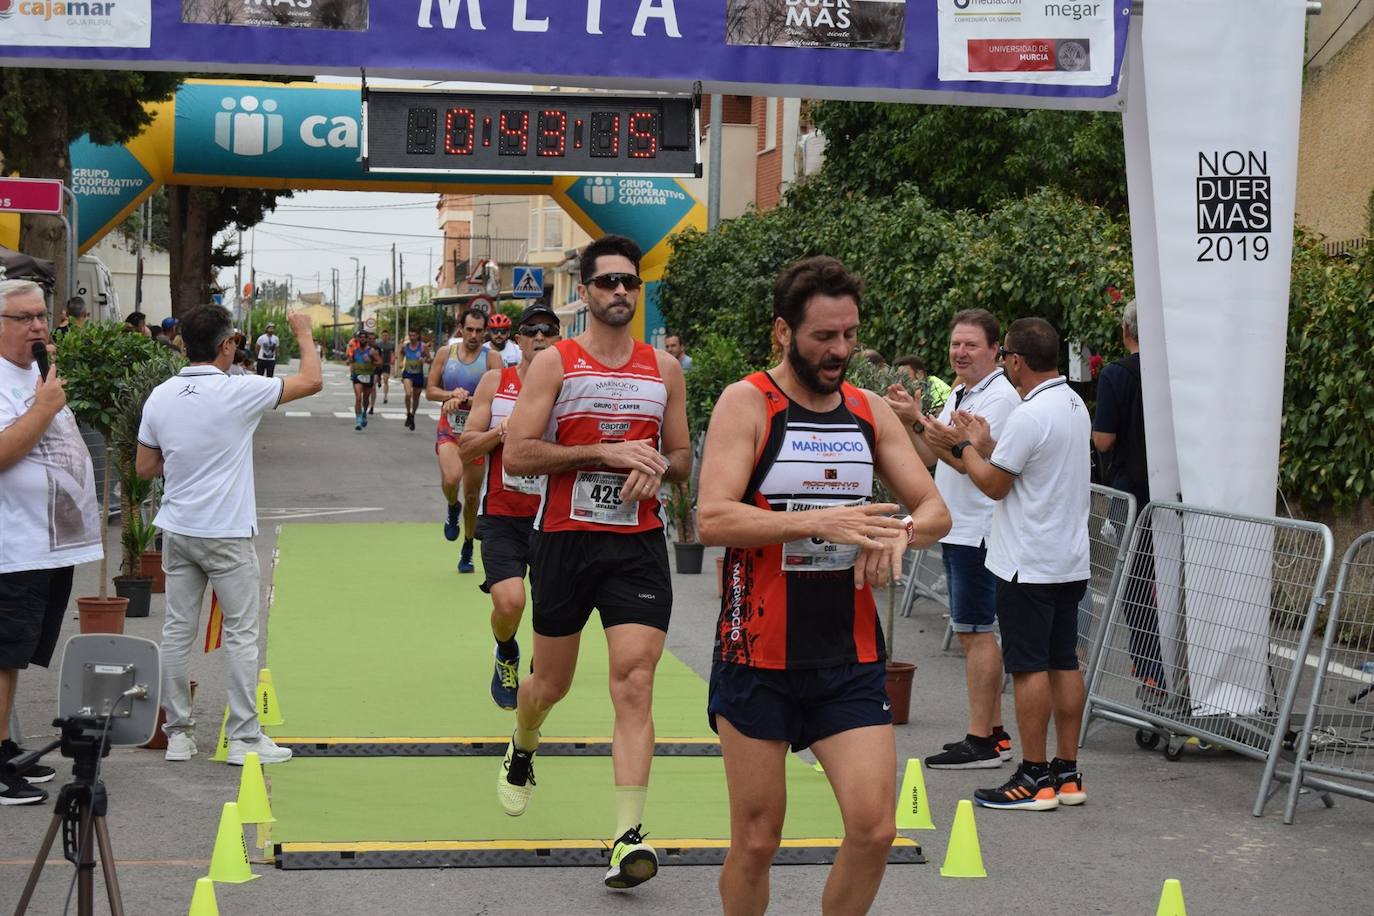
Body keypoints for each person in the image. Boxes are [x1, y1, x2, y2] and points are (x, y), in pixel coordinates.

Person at [696, 256, 951, 916]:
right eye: (824, 338)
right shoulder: (748, 402)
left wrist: (900, 534)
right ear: (784, 331)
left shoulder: (867, 410)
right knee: (756, 841)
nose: (841, 351)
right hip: (758, 656)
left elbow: (934, 511)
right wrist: (821, 521)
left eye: (850, 335)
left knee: (874, 831)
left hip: (848, 658)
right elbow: (713, 516)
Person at [497, 234, 691, 890]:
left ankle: (628, 835)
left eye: (628, 283)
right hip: (565, 540)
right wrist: (602, 456)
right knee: (547, 686)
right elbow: (519, 454)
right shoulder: (556, 363)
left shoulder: (663, 370)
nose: (618, 293)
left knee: (634, 683)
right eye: (606, 282)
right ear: (584, 293)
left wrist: (659, 466)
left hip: (635, 546)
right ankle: (524, 745)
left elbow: (684, 457)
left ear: (639, 292)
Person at [136, 305, 322, 766]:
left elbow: (144, 468)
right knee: (241, 632)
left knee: (178, 629)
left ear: (182, 343)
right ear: (226, 345)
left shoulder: (160, 395)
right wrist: (303, 334)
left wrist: (182, 463)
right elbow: (312, 381)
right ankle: (242, 738)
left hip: (177, 529)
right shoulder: (239, 390)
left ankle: (178, 733)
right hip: (226, 532)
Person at [950, 317, 1091, 811]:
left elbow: (994, 485)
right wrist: (986, 446)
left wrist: (965, 447)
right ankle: (1067, 772)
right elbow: (1026, 465)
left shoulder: (1030, 414)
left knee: (1029, 667)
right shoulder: (1073, 403)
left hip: (1027, 560)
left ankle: (1033, 774)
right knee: (1063, 662)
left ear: (1014, 359)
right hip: (1068, 558)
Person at [885, 311, 1023, 770]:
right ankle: (994, 734)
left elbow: (969, 462)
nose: (960, 353)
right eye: (955, 344)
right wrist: (911, 421)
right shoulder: (962, 391)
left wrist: (920, 424)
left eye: (971, 346)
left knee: (976, 632)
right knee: (972, 631)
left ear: (994, 350)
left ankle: (981, 740)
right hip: (957, 527)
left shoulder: (1000, 398)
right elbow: (932, 454)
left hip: (979, 529)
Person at [0, 280, 103, 805]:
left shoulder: (38, 374)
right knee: (1, 655)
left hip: (46, 546)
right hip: (11, 545)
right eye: (24, 318)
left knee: (14, 655)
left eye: (42, 316)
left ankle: (3, 748)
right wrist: (42, 409)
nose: (39, 326)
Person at [458, 303, 560, 710]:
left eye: (547, 331)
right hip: (501, 514)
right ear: (518, 340)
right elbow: (466, 446)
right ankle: (506, 650)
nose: (538, 337)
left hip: (553, 517)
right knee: (510, 602)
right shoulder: (494, 382)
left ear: (558, 340)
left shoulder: (571, 388)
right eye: (530, 331)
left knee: (551, 612)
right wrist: (501, 433)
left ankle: (542, 664)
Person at [1092, 300, 1166, 695]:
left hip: (1130, 496)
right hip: (1173, 493)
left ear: (1126, 330)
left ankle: (1151, 670)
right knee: (1176, 581)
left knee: (1138, 584)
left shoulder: (1117, 374)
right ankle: (1184, 669)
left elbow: (1104, 439)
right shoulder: (1175, 371)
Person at [427, 308, 501, 573]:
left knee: (472, 496)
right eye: (469, 329)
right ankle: (451, 505)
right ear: (460, 328)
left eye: (479, 331)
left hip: (477, 435)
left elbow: (499, 395)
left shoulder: (492, 359)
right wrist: (449, 395)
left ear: (486, 332)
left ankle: (468, 547)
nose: (474, 335)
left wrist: (468, 400)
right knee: (451, 480)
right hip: (449, 429)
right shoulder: (446, 354)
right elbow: (430, 391)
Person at [349, 331, 382, 431]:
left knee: (366, 399)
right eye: (361, 337)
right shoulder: (355, 350)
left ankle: (364, 413)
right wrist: (352, 370)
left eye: (364, 337)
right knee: (358, 397)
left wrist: (371, 361)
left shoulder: (372, 351)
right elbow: (352, 361)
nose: (362, 339)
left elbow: (380, 363)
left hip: (368, 376)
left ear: (367, 339)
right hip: (357, 376)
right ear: (358, 339)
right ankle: (358, 420)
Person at [398, 328, 429, 431]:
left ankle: (412, 415)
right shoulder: (405, 346)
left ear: (417, 336)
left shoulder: (423, 346)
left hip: (418, 374)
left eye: (414, 335)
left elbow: (429, 358)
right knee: (408, 394)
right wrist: (401, 362)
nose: (412, 337)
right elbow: (401, 353)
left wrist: (423, 359)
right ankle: (408, 413)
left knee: (416, 398)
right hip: (407, 374)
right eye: (410, 335)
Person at [376, 328, 396, 406]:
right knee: (378, 378)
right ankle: (378, 380)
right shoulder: (378, 343)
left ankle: (385, 397)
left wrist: (394, 359)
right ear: (381, 336)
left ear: (388, 336)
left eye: (386, 335)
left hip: (386, 364)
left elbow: (394, 352)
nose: (385, 337)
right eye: (383, 335)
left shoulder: (391, 344)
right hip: (378, 364)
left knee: (386, 380)